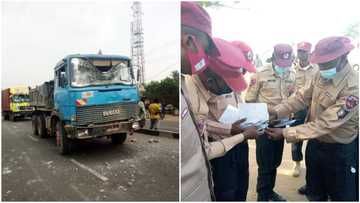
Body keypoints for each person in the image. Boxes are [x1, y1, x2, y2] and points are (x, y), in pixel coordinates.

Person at [181, 2, 258, 201]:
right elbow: (201, 134)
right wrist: (232, 131)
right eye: (226, 84)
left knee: (241, 188)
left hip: (236, 140)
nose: (229, 89)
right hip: (219, 148)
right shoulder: (189, 87)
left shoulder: (225, 77)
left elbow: (236, 99)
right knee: (226, 193)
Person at [267, 36, 358, 201]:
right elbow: (301, 97)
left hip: (339, 151)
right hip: (315, 144)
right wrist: (277, 111)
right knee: (315, 192)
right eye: (319, 62)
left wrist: (286, 133)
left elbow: (326, 123)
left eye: (325, 63)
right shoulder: (320, 74)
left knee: (342, 195)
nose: (321, 67)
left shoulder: (353, 87)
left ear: (342, 58)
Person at [245, 43, 296, 201]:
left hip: (282, 125)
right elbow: (249, 100)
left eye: (287, 64)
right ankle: (262, 195)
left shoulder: (292, 74)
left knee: (275, 162)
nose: (284, 68)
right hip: (264, 126)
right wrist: (269, 110)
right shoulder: (259, 74)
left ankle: (269, 191)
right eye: (281, 63)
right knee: (265, 164)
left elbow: (293, 97)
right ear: (273, 57)